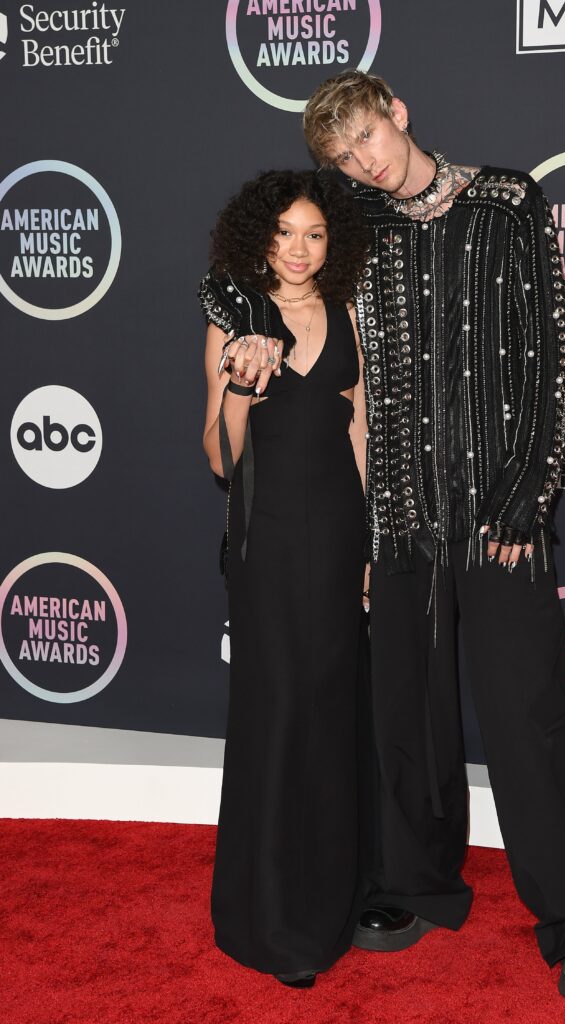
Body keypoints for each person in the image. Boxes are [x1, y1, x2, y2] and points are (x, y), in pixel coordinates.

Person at [302, 71, 565, 1002]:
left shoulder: (507, 199)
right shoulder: (358, 234)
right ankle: (416, 883)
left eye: (367, 137)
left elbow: (550, 351)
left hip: (499, 516)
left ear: (397, 113)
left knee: (530, 714)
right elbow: (313, 329)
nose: (362, 162)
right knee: (406, 708)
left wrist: (529, 491)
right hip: (405, 512)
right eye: (343, 157)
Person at [198, 169, 372, 988]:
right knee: (276, 712)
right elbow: (217, 457)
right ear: (256, 239)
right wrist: (239, 383)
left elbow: (363, 436)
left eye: (314, 234)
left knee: (334, 711)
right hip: (265, 544)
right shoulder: (234, 320)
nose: (298, 251)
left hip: (339, 537)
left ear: (332, 241)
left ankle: (337, 898)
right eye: (283, 234)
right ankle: (267, 914)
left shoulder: (347, 316)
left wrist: (371, 545)